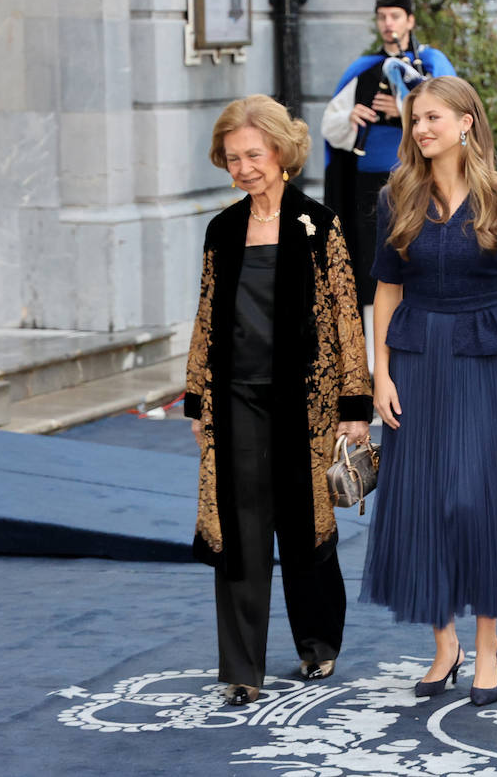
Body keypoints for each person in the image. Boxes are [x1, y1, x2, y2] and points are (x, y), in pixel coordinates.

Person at [186, 95, 373, 708]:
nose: (243, 168)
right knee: (239, 532)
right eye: (233, 158)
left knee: (305, 526)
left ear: (281, 153)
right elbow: (207, 319)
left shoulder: (319, 225)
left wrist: (355, 404)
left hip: (308, 403)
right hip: (236, 399)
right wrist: (198, 403)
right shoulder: (221, 229)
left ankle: (317, 642)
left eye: (254, 154)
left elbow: (348, 317)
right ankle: (242, 667)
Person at [360, 76, 497, 708]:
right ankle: (446, 645)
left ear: (467, 121)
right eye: (415, 120)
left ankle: (487, 648)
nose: (421, 129)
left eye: (433, 117)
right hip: (413, 358)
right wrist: (379, 373)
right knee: (423, 504)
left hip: (483, 360)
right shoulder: (395, 197)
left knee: (475, 501)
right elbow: (385, 290)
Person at [320, 0, 455, 308]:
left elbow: (454, 113)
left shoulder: (432, 65)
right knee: (372, 260)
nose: (388, 24)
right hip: (369, 182)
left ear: (410, 21)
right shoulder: (363, 69)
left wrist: (405, 110)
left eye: (395, 16)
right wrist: (351, 116)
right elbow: (331, 126)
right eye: (382, 17)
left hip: (420, 177)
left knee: (419, 255)